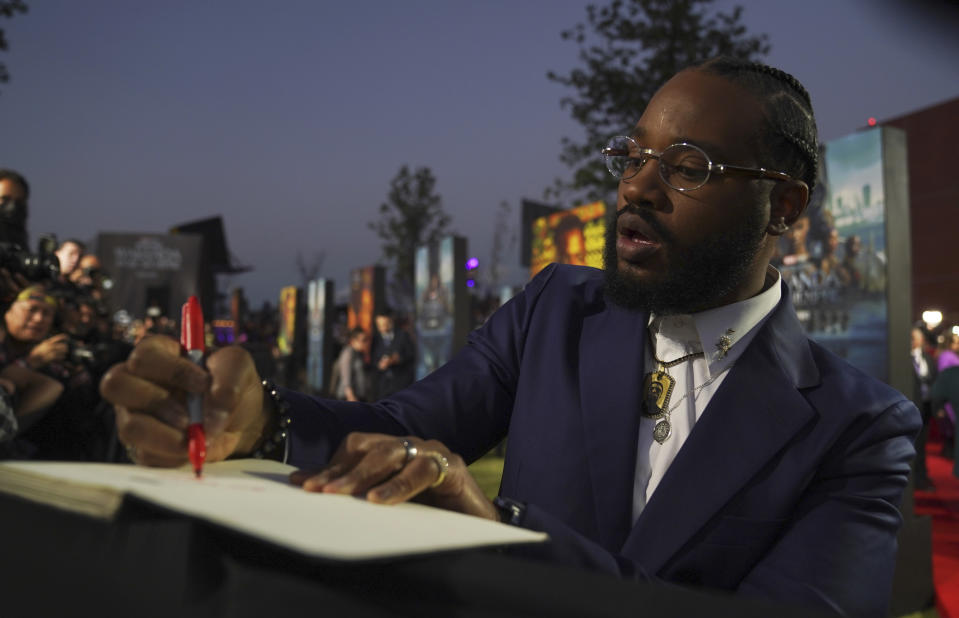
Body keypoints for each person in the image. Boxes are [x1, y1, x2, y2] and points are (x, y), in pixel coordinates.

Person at [100, 57, 920, 617]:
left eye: (687, 165)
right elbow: (397, 432)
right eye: (630, 155)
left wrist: (502, 527)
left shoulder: (858, 426)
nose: (636, 185)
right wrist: (265, 423)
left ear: (783, 206)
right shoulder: (554, 309)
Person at [910, 325, 937, 490]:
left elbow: (935, 379)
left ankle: (921, 478)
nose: (913, 341)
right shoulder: (901, 358)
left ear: (921, 340)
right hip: (910, 408)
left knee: (921, 446)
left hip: (926, 409)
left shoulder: (928, 358)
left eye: (915, 338)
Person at [369, 309, 414, 398]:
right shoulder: (375, 338)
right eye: (379, 325)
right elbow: (372, 358)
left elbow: (411, 354)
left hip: (400, 383)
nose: (382, 328)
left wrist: (398, 359)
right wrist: (379, 365)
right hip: (382, 385)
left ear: (391, 321)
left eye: (384, 324)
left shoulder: (403, 335)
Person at [331, 327, 371, 402]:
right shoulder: (348, 353)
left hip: (358, 396)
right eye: (363, 340)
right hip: (347, 397)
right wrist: (351, 396)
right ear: (353, 341)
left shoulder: (359, 353)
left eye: (366, 340)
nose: (365, 343)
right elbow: (345, 375)